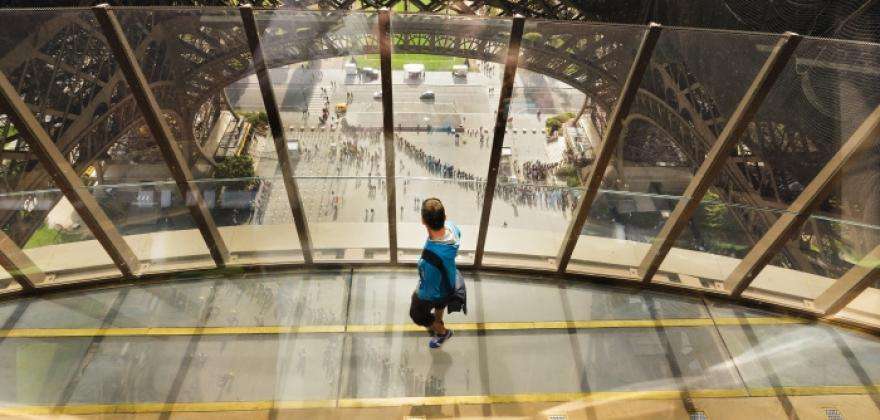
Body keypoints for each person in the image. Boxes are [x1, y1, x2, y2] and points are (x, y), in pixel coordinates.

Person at [409, 198, 461, 348]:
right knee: (440, 304)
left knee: (417, 314)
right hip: (449, 279)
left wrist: (418, 293)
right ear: (444, 217)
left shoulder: (429, 261)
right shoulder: (453, 228)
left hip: (439, 288)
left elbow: (429, 292)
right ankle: (438, 320)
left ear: (423, 221)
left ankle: (443, 332)